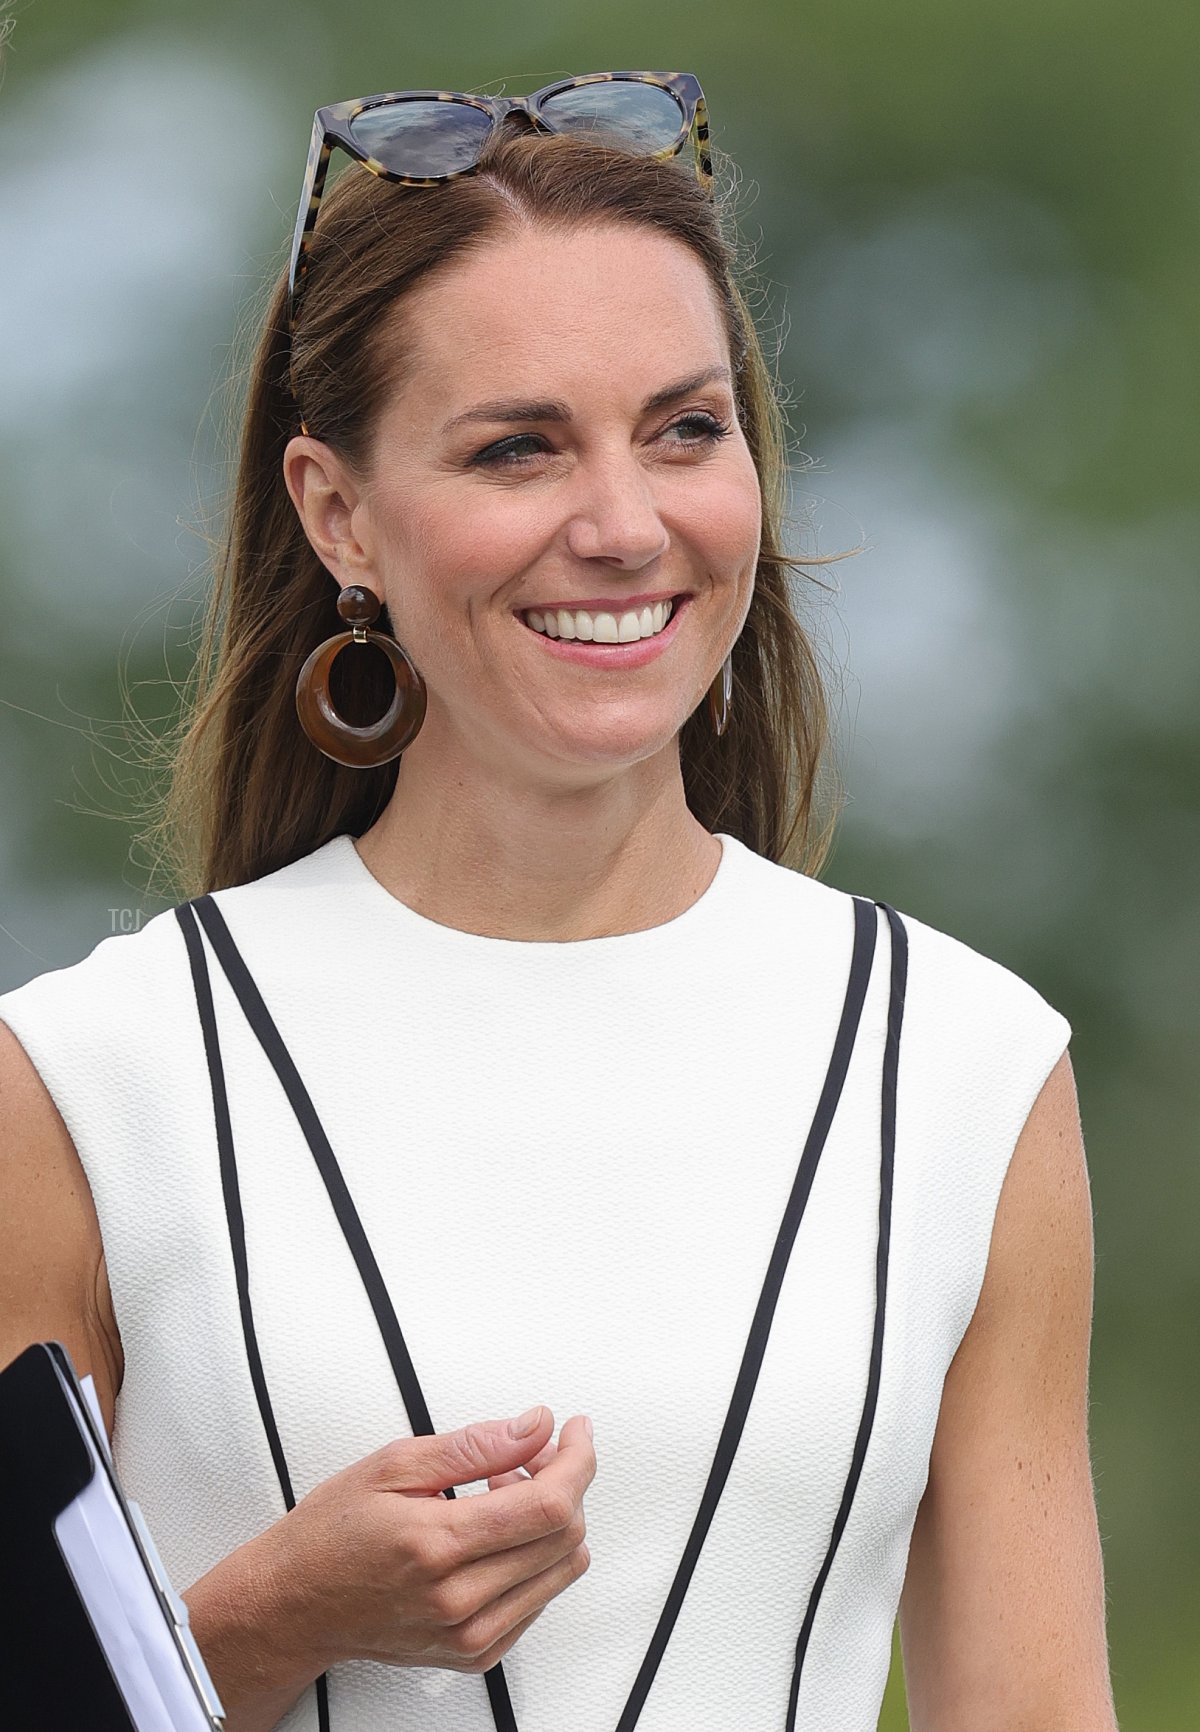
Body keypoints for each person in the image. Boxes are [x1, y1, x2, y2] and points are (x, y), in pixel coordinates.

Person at [0, 71, 1118, 1732]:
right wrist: (263, 1619)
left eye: (685, 429)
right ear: (338, 513)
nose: (623, 524)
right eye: (517, 448)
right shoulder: (93, 1078)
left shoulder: (961, 1065)